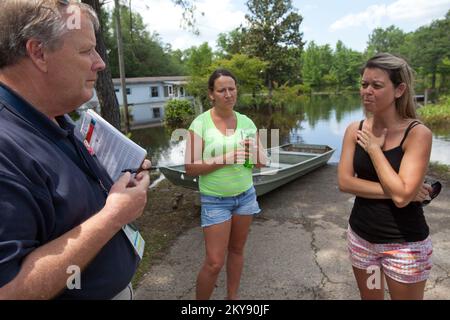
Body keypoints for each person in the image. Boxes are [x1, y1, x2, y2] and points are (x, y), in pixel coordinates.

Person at [0, 0, 150, 299]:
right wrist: (114, 216)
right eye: (85, 51)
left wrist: (121, 181)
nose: (100, 62)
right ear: (38, 52)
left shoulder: (53, 114)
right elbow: (9, 290)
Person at [338, 53, 434, 300]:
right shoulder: (355, 129)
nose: (367, 91)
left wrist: (373, 150)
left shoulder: (417, 133)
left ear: (399, 89)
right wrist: (402, 190)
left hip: (404, 247)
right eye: (364, 84)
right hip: (362, 240)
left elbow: (402, 198)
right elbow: (345, 182)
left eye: (377, 85)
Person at [185, 69, 269, 300]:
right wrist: (227, 157)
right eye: (222, 90)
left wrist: (255, 153)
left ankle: (232, 298)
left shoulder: (247, 122)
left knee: (237, 250)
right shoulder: (200, 123)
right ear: (211, 94)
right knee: (214, 262)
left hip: (245, 197)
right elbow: (190, 167)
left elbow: (261, 163)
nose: (228, 94)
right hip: (215, 201)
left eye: (232, 89)